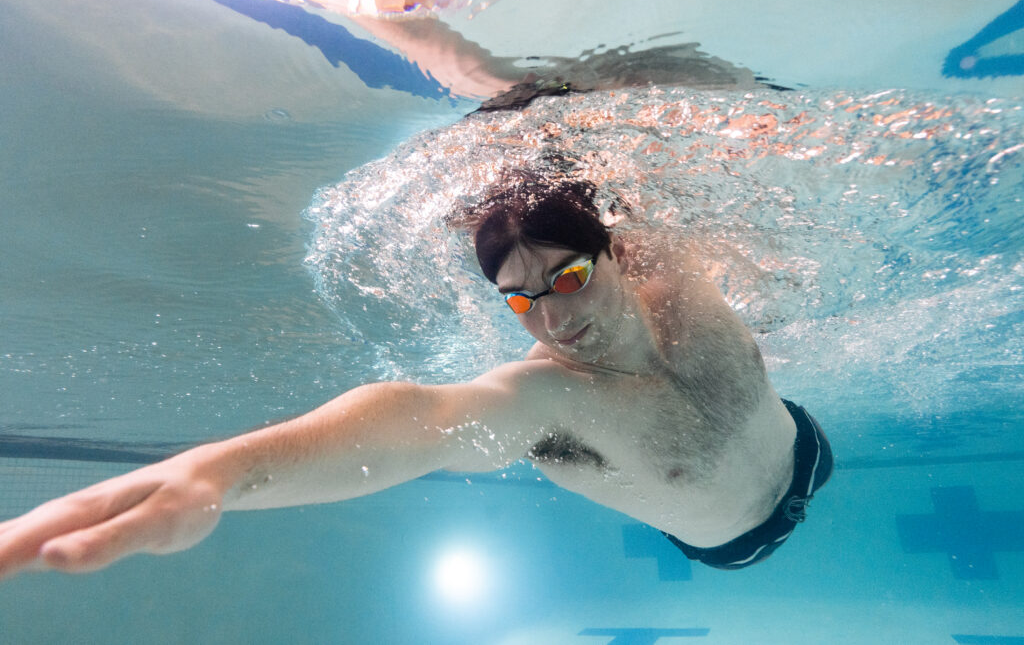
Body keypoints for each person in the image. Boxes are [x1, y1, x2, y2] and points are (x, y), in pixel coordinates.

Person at [0, 169, 831, 579]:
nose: (552, 316)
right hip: (735, 544)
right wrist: (219, 477)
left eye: (569, 279)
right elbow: (415, 422)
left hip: (810, 452)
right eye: (520, 301)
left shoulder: (675, 272)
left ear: (613, 251)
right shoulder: (543, 400)